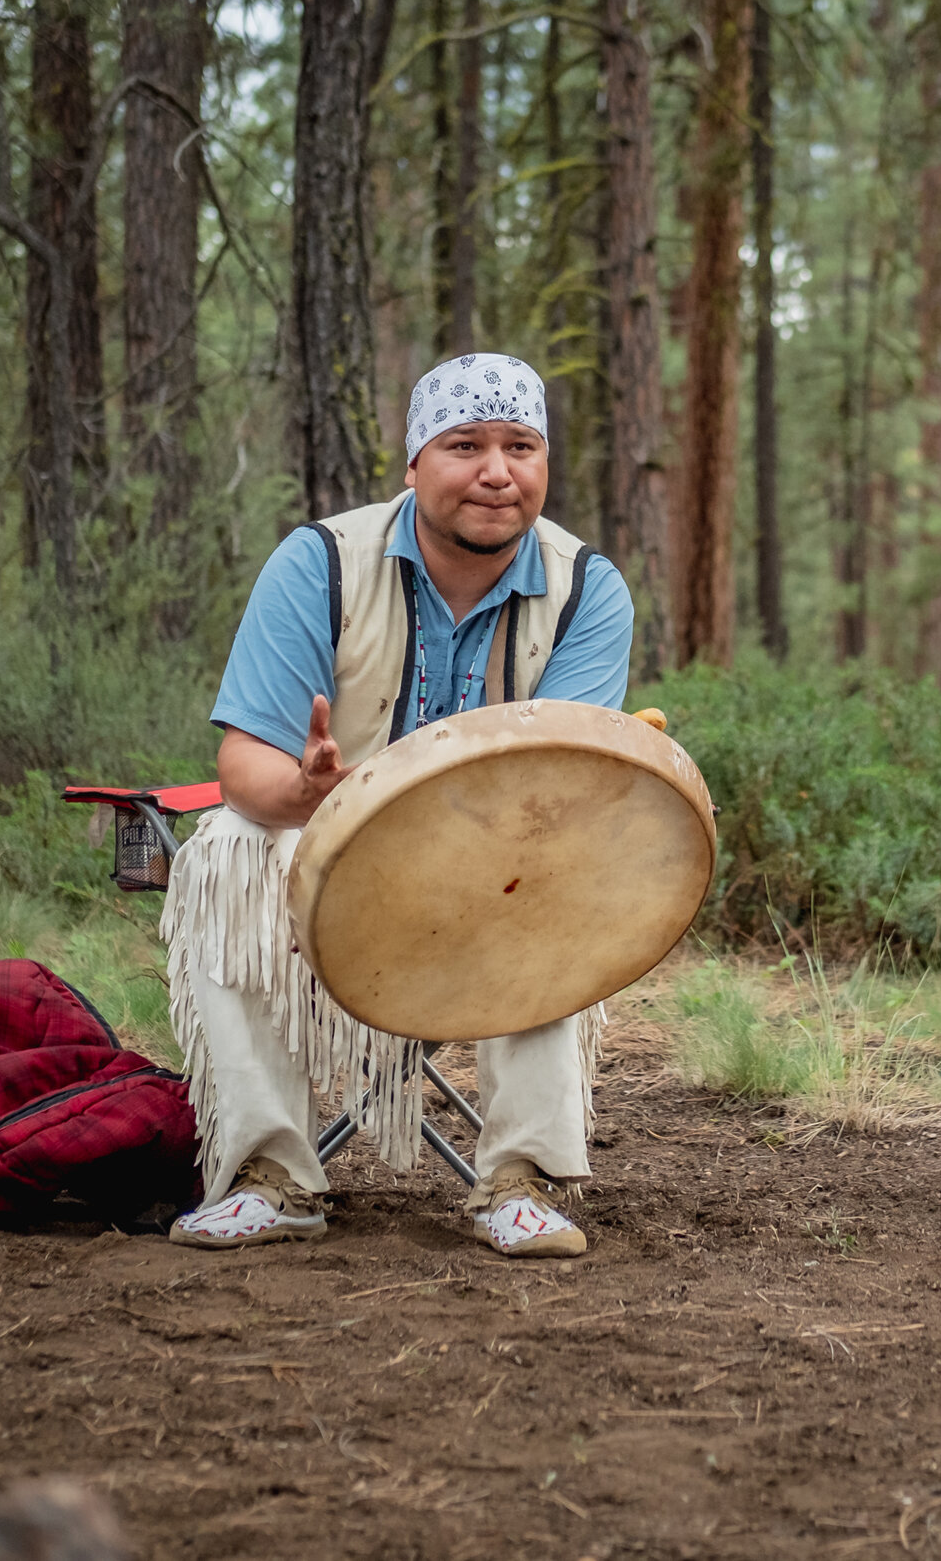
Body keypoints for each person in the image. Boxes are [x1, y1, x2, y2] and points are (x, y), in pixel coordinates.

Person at [159, 353, 635, 1256]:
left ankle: (518, 1180)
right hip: (329, 860)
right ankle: (272, 1174)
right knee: (224, 843)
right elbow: (239, 765)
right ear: (413, 463)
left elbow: (567, 787)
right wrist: (306, 791)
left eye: (520, 446)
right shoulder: (321, 564)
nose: (497, 471)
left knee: (561, 863)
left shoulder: (588, 590)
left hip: (497, 873)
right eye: (465, 445)